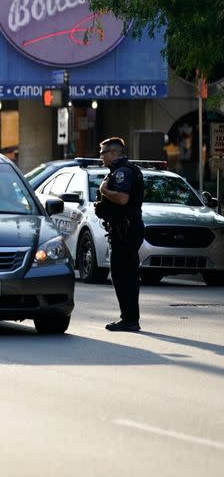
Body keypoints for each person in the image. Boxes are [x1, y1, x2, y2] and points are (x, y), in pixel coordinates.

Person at [97, 137, 144, 332]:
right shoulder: (130, 170)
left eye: (103, 153)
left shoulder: (122, 172)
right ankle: (130, 318)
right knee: (128, 275)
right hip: (128, 228)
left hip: (124, 230)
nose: (100, 157)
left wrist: (103, 190)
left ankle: (129, 319)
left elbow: (123, 199)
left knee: (122, 275)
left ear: (114, 153)